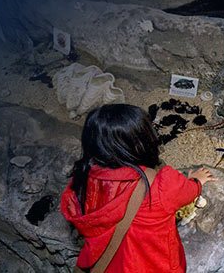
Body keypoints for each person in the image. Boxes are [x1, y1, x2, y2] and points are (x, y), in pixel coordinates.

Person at [60, 104, 215, 272]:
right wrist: (196, 180)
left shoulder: (84, 178)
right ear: (143, 141)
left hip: (108, 265)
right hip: (152, 265)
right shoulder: (160, 183)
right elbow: (186, 191)